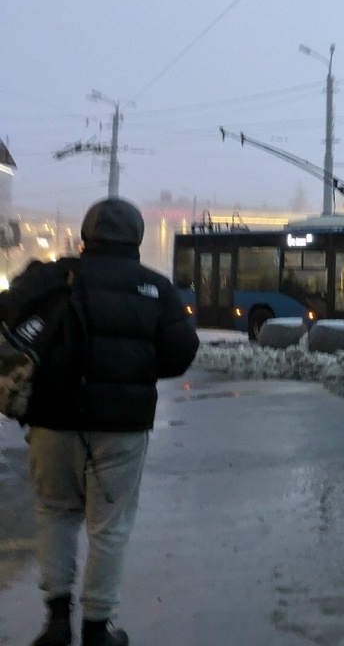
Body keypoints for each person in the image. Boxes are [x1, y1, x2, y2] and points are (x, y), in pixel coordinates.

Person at [0, 198, 199, 646]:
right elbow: (181, 352)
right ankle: (97, 628)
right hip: (121, 427)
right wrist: (134, 373)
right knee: (109, 525)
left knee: (54, 513)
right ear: (137, 238)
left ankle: (55, 621)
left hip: (50, 418)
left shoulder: (50, 276)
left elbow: (8, 318)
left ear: (87, 236)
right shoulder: (155, 287)